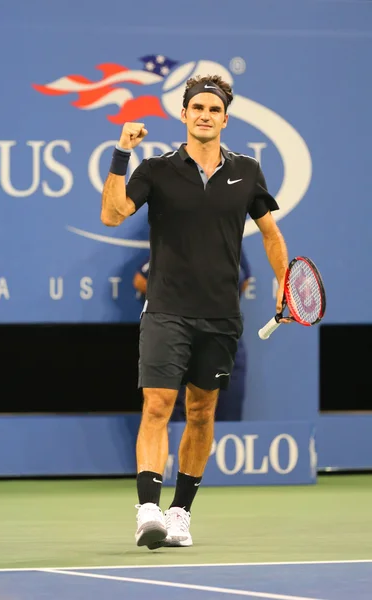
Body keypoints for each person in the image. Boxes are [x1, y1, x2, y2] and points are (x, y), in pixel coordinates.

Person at [101, 74, 291, 551]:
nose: (205, 115)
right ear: (183, 115)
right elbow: (112, 213)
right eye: (197, 108)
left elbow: (270, 233)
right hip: (166, 308)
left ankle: (181, 513)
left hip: (221, 315)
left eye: (214, 109)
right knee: (158, 403)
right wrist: (121, 153)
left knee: (202, 412)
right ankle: (148, 509)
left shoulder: (247, 172)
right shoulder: (156, 169)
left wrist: (285, 283)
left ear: (225, 119)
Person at [133, 247, 252, 422]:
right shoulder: (179, 237)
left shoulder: (232, 240)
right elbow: (141, 280)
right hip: (184, 344)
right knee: (182, 420)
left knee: (228, 416)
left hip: (227, 345)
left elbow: (244, 279)